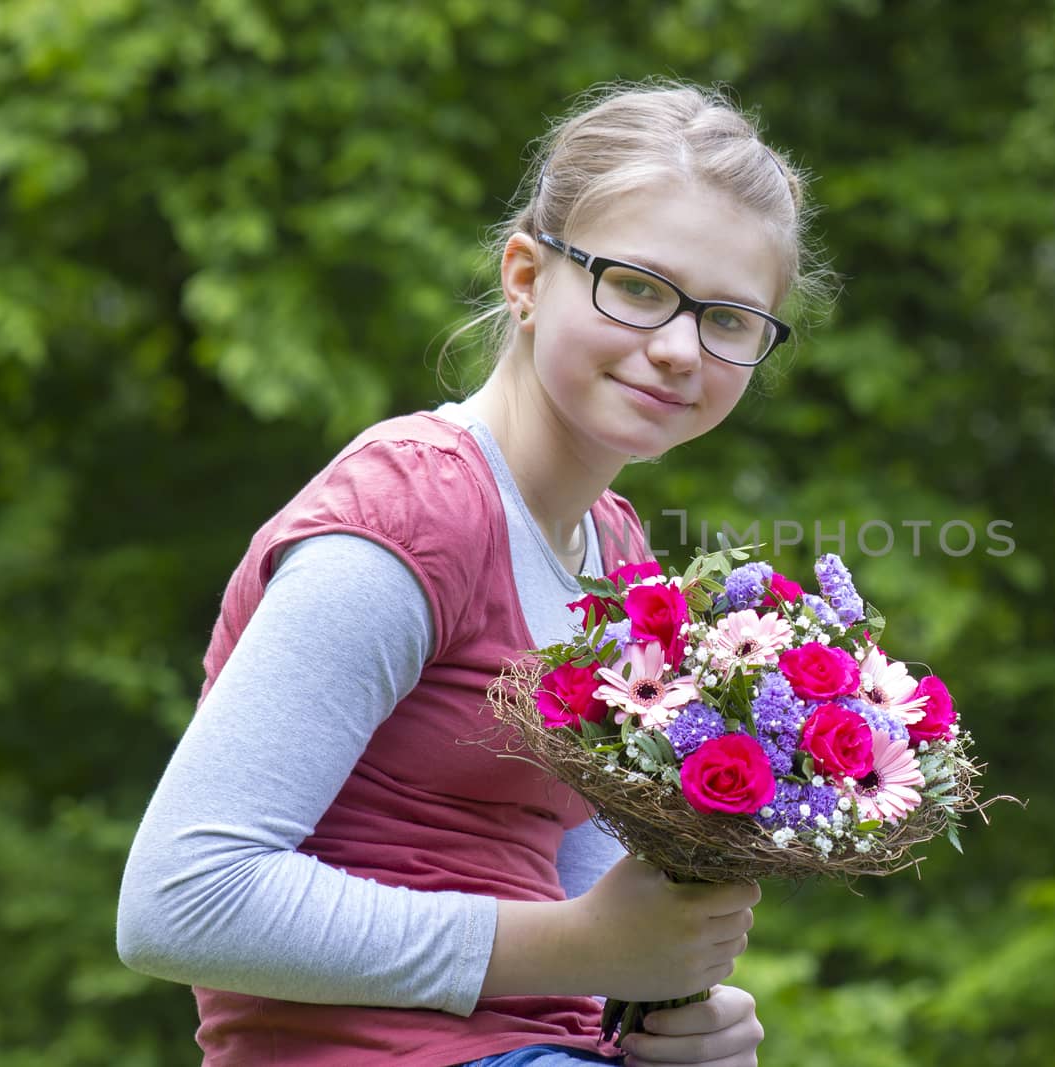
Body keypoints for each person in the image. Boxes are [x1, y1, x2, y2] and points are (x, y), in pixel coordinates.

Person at [117, 80, 828, 1066]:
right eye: (637, 286)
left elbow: (591, 907)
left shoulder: (617, 557)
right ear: (527, 276)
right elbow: (180, 900)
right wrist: (579, 945)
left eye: (730, 320)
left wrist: (674, 1017)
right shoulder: (408, 518)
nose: (677, 349)